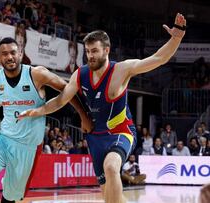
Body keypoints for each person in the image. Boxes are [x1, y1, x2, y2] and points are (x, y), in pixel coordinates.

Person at [20, 13, 186, 203]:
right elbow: (60, 100)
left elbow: (158, 58)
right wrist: (38, 111)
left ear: (107, 50)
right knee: (110, 196)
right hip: (95, 137)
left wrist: (176, 37)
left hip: (121, 131)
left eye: (94, 51)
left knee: (111, 167)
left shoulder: (122, 70)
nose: (90, 56)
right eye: (88, 51)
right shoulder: (79, 74)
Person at [0, 37, 92, 203]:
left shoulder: (37, 74)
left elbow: (67, 89)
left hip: (28, 147)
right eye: (5, 54)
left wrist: (83, 115)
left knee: (9, 198)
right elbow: (1, 97)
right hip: (4, 139)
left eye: (13, 53)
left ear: (21, 54)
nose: (9, 57)